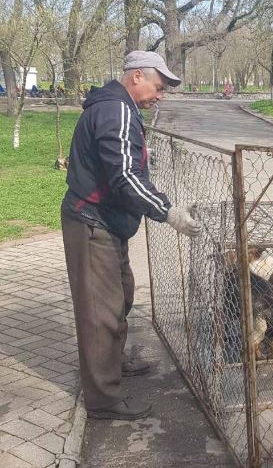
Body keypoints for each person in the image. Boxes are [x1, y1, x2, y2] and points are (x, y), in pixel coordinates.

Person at [61, 51, 202, 421]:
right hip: (92, 223)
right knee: (99, 314)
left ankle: (113, 362)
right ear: (136, 76)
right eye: (158, 87)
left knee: (121, 294)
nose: (161, 95)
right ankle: (103, 400)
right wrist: (167, 211)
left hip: (108, 221)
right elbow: (124, 178)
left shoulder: (121, 109)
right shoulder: (116, 111)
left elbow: (124, 166)